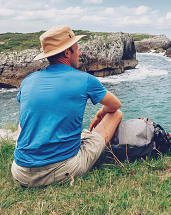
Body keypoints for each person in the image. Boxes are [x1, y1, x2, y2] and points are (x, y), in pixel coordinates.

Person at [11, 25, 123, 188]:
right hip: (62, 171)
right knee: (116, 114)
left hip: (20, 173)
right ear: (66, 52)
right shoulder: (84, 79)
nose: (80, 53)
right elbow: (115, 105)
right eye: (77, 49)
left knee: (27, 118)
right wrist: (101, 112)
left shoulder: (28, 80)